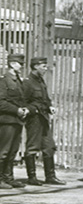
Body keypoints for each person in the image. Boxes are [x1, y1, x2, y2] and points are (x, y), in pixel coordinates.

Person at [23, 56, 64, 185]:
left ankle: (50, 176)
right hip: (34, 118)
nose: (46, 69)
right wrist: (33, 110)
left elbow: (45, 99)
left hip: (44, 117)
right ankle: (32, 177)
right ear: (35, 66)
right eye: (43, 66)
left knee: (49, 146)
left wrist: (50, 106)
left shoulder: (41, 81)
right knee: (32, 147)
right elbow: (23, 101)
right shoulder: (28, 82)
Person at [0, 53, 29, 188]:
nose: (22, 66)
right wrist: (16, 110)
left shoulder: (18, 81)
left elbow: (21, 100)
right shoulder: (3, 80)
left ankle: (9, 178)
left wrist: (24, 109)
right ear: (12, 64)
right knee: (3, 151)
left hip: (17, 120)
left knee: (13, 151)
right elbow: (1, 103)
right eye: (20, 64)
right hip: (6, 121)